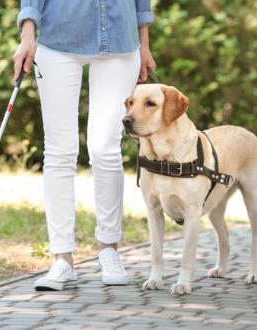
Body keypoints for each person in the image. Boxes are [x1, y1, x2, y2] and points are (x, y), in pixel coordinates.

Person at [13, 0, 156, 291]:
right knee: (59, 151)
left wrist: (144, 43)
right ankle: (61, 258)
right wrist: (27, 34)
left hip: (120, 40)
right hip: (57, 39)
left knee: (105, 148)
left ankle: (109, 250)